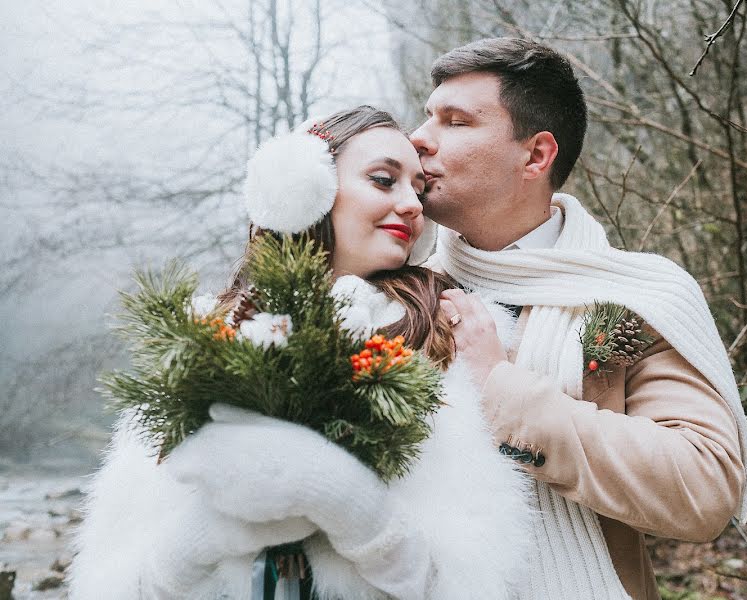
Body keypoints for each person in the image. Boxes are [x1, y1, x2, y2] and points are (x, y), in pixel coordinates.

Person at [67, 106, 534, 600]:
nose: (413, 205)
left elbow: (468, 579)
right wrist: (204, 536)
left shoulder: (451, 336)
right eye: (383, 180)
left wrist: (356, 512)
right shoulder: (206, 338)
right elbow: (122, 581)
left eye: (417, 190)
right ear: (305, 189)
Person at [410, 38, 747, 600]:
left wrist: (503, 392)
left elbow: (704, 489)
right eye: (427, 117)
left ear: (536, 156)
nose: (419, 139)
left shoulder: (637, 296)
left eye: (455, 121)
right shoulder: (400, 296)